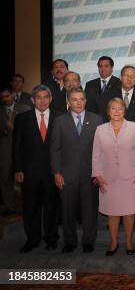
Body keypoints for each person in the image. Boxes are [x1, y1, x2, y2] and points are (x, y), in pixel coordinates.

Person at [50, 88, 103, 253]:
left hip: (91, 175)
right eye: (74, 99)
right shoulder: (59, 121)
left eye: (81, 99)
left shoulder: (97, 120)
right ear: (69, 102)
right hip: (67, 175)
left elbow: (102, 150)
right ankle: (70, 241)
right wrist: (56, 173)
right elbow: (55, 149)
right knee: (67, 211)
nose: (78, 102)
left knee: (89, 211)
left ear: (85, 101)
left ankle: (88, 241)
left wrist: (99, 173)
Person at [92, 98, 135, 256]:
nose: (117, 112)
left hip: (131, 178)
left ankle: (129, 242)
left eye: (120, 108)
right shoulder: (100, 130)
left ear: (124, 110)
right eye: (114, 109)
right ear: (108, 111)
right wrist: (98, 175)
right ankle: (114, 242)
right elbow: (96, 155)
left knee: (129, 212)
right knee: (112, 212)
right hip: (108, 178)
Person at [12, 84, 60, 252]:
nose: (42, 101)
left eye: (45, 97)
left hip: (52, 172)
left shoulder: (59, 117)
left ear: (51, 99)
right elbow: (16, 146)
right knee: (30, 207)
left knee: (52, 207)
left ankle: (51, 238)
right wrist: (18, 169)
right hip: (29, 172)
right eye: (38, 97)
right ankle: (32, 239)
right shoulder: (22, 118)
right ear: (32, 100)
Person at [1, 87, 30, 215]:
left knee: (26, 179)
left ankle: (27, 206)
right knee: (5, 179)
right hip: (5, 150)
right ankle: (10, 206)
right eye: (2, 97)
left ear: (12, 95)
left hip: (23, 150)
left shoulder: (24, 108)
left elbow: (31, 130)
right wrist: (5, 129)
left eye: (7, 96)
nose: (5, 99)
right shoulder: (0, 112)